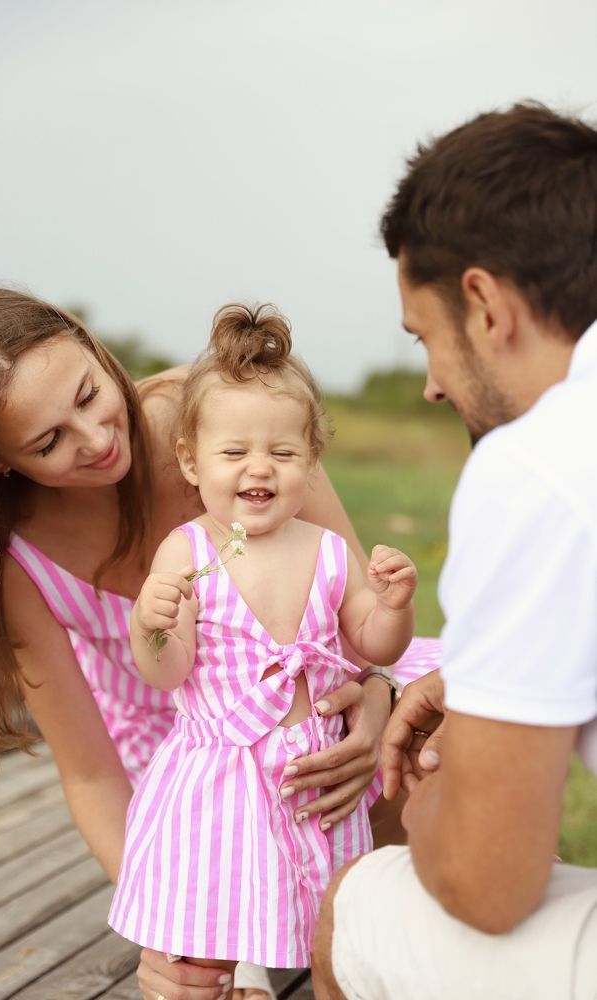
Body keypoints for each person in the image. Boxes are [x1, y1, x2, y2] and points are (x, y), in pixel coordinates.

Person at [0, 286, 440, 1000]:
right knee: (202, 962)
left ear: (96, 350)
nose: (95, 438)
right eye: (49, 441)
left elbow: (357, 622)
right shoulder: (21, 567)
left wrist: (382, 699)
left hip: (323, 710)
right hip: (188, 755)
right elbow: (92, 776)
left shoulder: (236, 419)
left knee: (441, 743)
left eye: (88, 393)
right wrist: (165, 927)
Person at [312, 101, 597, 1000]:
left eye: (424, 337)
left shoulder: (538, 461)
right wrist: (476, 681)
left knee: (355, 903)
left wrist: (431, 799)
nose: (432, 384)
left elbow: (487, 886)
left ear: (482, 304)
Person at [108, 303, 417, 974]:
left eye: (282, 452)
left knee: (324, 907)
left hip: (311, 767)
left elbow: (373, 645)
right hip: (224, 771)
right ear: (191, 462)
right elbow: (168, 672)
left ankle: (334, 975)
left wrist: (395, 605)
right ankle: (236, 973)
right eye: (234, 452)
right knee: (227, 897)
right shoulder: (186, 551)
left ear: (311, 459)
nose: (260, 468)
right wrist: (151, 626)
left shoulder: (329, 551)